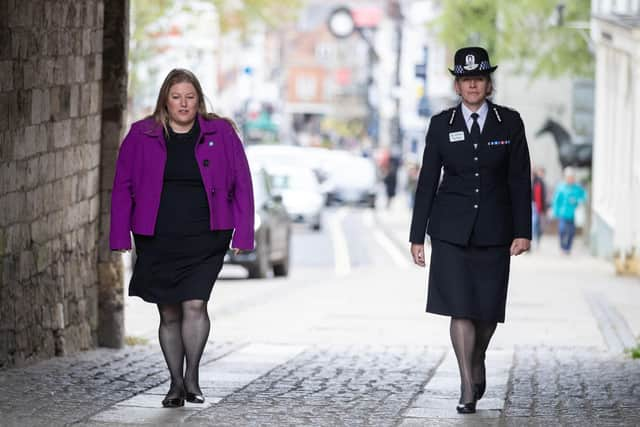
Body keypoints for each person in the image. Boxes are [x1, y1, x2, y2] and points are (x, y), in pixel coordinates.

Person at [110, 69, 254, 407]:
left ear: (199, 99)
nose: (183, 103)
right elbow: (122, 187)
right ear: (165, 100)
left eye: (189, 97)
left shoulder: (222, 132)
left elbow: (242, 184)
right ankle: (175, 383)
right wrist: (119, 236)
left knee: (195, 303)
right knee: (169, 312)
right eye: (176, 97)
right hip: (158, 236)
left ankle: (192, 377)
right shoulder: (140, 134)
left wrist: (243, 234)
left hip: (207, 236)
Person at [409, 47, 531, 414]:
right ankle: (466, 383)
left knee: (488, 313)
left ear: (488, 83)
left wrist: (522, 231)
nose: (473, 84)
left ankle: (477, 358)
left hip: (495, 231)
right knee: (459, 308)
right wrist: (417, 236)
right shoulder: (440, 125)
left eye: (478, 78)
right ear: (458, 85)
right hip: (450, 232)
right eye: (466, 79)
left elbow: (519, 181)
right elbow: (427, 181)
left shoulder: (509, 123)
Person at [551, 167, 586, 254]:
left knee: (571, 232)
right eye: (569, 177)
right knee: (562, 230)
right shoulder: (561, 187)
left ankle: (568, 248)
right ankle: (562, 246)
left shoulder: (577, 188)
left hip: (573, 214)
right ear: (566, 177)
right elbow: (556, 200)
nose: (570, 179)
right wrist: (555, 212)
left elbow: (584, 196)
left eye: (572, 177)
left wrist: (577, 201)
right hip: (562, 213)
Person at [531, 166, 548, 247]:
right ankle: (533, 239)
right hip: (533, 205)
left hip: (537, 205)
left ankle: (536, 240)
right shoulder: (534, 181)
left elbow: (542, 196)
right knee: (534, 223)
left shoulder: (539, 182)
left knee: (536, 224)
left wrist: (544, 208)